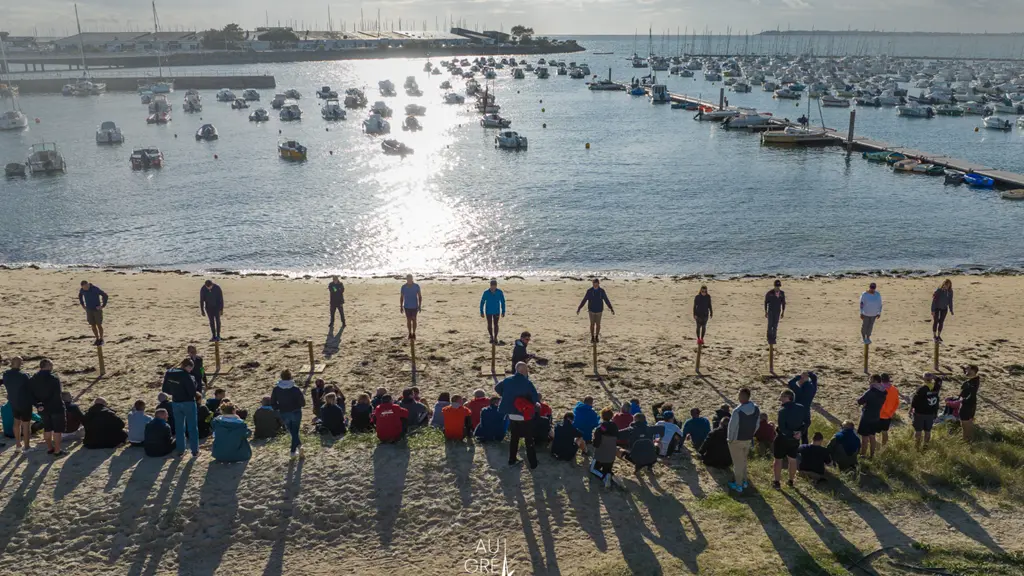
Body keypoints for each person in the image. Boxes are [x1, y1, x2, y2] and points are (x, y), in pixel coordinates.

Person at [495, 362, 540, 468]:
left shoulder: (507, 380)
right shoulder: (527, 383)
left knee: (514, 437)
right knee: (528, 439)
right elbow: (535, 398)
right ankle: (533, 463)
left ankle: (512, 459)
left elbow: (497, 388)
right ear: (524, 371)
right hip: (523, 413)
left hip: (511, 413)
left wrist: (505, 395)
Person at [162, 358, 199, 457]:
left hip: (176, 402)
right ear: (187, 366)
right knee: (192, 427)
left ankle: (180, 450)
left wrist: (175, 392)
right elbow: (192, 392)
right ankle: (194, 450)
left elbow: (164, 389)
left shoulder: (169, 373)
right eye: (190, 368)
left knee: (179, 427)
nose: (190, 370)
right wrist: (194, 384)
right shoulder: (186, 375)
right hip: (188, 403)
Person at [30, 359, 65, 456]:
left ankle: (50, 448)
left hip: (42, 408)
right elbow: (57, 394)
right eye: (51, 365)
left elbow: (31, 395)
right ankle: (57, 450)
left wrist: (38, 404)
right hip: (55, 407)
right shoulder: (53, 379)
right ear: (48, 366)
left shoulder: (33, 379)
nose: (52, 367)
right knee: (57, 430)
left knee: (47, 428)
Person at [727, 388, 760, 492]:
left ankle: (738, 485)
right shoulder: (756, 409)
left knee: (738, 463)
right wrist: (751, 434)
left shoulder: (737, 411)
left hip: (737, 440)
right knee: (744, 461)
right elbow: (757, 425)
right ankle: (745, 481)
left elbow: (732, 427)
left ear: (742, 396)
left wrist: (730, 439)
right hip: (748, 439)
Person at [773, 389, 807, 489]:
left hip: (783, 438)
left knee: (778, 460)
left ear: (788, 397)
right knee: (792, 459)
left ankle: (777, 482)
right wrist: (799, 432)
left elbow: (782, 428)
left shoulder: (782, 411)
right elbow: (806, 422)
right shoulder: (801, 408)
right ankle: (791, 481)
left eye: (782, 396)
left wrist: (791, 433)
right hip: (795, 439)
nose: (780, 398)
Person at [271, 370, 306, 459]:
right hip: (296, 411)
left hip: (284, 412)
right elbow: (303, 403)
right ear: (290, 377)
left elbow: (273, 403)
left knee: (292, 431)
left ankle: (296, 449)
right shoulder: (295, 389)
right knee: (295, 431)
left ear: (281, 377)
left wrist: (279, 408)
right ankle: (294, 450)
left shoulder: (276, 389)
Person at [3, 356, 33, 452]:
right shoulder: (24, 375)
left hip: (13, 401)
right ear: (21, 364)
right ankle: (27, 446)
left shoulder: (6, 374)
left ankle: (18, 445)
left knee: (16, 423)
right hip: (24, 402)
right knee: (26, 425)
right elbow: (30, 388)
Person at [857, 374, 888, 459]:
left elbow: (860, 401)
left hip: (867, 416)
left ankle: (862, 455)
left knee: (864, 437)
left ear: (875, 381)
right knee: (872, 436)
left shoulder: (871, 391)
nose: (869, 381)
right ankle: (872, 455)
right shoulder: (883, 391)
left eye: (870, 379)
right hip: (876, 416)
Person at [576, 278, 614, 343]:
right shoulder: (589, 291)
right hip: (591, 310)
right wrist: (579, 308)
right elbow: (584, 300)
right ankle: (592, 337)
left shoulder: (602, 291)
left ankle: (596, 336)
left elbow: (606, 300)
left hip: (599, 310)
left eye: (596, 284)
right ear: (592, 284)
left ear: (598, 284)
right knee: (592, 324)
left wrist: (611, 308)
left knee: (598, 324)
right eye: (594, 284)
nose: (595, 285)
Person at [590, 408, 620, 488]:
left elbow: (596, 445)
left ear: (602, 416)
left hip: (600, 456)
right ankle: (610, 476)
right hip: (611, 457)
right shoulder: (615, 427)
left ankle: (604, 478)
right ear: (611, 417)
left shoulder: (599, 429)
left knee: (592, 469)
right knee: (607, 470)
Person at [786, 371, 818, 445]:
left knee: (795, 433)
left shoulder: (799, 391)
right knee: (804, 434)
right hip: (806, 413)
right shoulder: (813, 389)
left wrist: (799, 377)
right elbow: (814, 379)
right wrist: (809, 374)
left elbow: (790, 383)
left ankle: (794, 448)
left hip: (797, 414)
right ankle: (804, 448)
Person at [911, 379, 941, 450]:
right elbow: (937, 404)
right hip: (930, 414)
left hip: (920, 413)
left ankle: (916, 447)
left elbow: (914, 401)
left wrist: (911, 409)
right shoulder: (936, 389)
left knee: (918, 431)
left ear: (924, 379)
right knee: (928, 431)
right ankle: (925, 447)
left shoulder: (921, 389)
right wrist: (935, 413)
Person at [79, 280, 108, 346]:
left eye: (87, 286)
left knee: (99, 324)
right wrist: (83, 305)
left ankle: (101, 339)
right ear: (82, 287)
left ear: (88, 284)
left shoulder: (95, 289)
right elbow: (80, 296)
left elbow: (105, 295)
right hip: (89, 310)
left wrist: (102, 306)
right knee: (93, 325)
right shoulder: (82, 290)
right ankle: (97, 339)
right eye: (84, 287)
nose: (86, 288)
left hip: (97, 310)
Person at [480, 279, 507, 344]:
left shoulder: (499, 292)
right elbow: (482, 302)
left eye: (494, 286)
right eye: (492, 286)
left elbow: (503, 302)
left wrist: (503, 311)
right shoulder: (486, 292)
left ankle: (495, 337)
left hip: (496, 311)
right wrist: (481, 311)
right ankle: (491, 336)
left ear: (496, 286)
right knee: (489, 324)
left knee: (496, 324)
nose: (493, 288)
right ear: (490, 286)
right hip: (488, 311)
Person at [958, 365, 980, 441]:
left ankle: (965, 440)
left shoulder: (973, 382)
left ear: (973, 371)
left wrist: (963, 400)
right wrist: (964, 369)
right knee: (969, 422)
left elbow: (972, 393)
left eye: (967, 369)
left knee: (965, 423)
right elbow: (968, 374)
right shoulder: (975, 379)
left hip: (967, 405)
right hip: (971, 404)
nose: (966, 371)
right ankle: (970, 440)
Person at [878, 373, 899, 446]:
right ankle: (883, 448)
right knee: (885, 432)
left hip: (878, 414)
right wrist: (891, 413)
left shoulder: (880, 389)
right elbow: (897, 403)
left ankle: (875, 449)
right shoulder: (894, 389)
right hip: (888, 415)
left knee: (872, 433)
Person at [400, 274, 422, 340]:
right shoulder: (403, 287)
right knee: (409, 320)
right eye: (408, 279)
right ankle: (410, 333)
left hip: (415, 306)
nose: (409, 280)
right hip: (407, 306)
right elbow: (402, 297)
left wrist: (419, 306)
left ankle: (414, 333)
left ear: (412, 279)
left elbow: (420, 296)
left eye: (410, 278)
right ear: (406, 279)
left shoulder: (416, 286)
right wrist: (401, 306)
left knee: (414, 319)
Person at [764, 279, 786, 346]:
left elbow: (783, 303)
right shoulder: (770, 293)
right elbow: (765, 302)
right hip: (770, 311)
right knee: (770, 325)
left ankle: (774, 338)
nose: (778, 288)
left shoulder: (782, 293)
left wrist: (783, 312)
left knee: (775, 325)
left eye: (779, 286)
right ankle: (769, 337)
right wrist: (765, 312)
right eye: (776, 286)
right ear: (774, 286)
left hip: (777, 311)